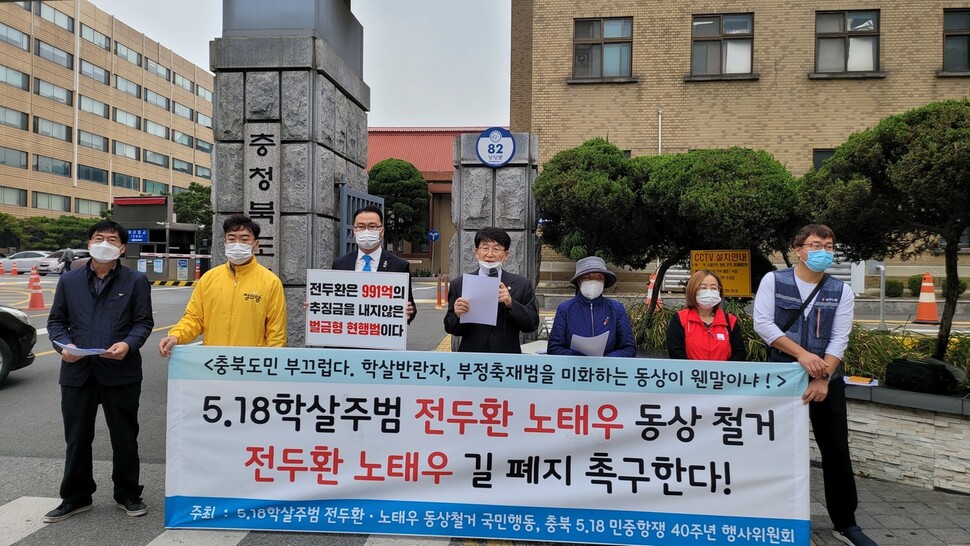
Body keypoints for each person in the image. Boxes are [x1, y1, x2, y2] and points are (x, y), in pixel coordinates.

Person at [753, 224, 875, 546]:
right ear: (799, 250)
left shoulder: (840, 290)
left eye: (830, 246)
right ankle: (771, 515)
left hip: (826, 378)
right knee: (774, 447)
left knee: (836, 450)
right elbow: (763, 324)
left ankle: (846, 523)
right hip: (782, 375)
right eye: (816, 245)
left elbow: (840, 337)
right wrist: (802, 355)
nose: (824, 251)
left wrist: (822, 378)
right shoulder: (774, 281)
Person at [44, 220, 154, 522]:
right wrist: (64, 347)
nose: (104, 243)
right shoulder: (70, 280)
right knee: (77, 438)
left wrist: (128, 344)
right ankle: (76, 496)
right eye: (98, 238)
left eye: (112, 239)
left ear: (122, 247)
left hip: (121, 371)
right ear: (89, 243)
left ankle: (128, 493)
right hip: (77, 371)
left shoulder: (135, 281)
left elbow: (143, 322)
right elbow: (56, 322)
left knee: (125, 436)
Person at [158, 214, 287, 356]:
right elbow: (194, 318)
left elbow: (276, 332)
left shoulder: (270, 282)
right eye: (231, 239)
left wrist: (271, 361)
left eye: (244, 239)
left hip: (250, 363)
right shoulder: (209, 279)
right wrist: (176, 335)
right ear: (225, 242)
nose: (237, 244)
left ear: (255, 245)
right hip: (215, 361)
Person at [444, 226, 539, 353]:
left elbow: (532, 324)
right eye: (485, 248)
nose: (489, 254)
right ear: (476, 252)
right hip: (472, 357)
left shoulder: (521, 284)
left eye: (496, 249)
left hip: (507, 357)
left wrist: (511, 303)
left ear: (506, 255)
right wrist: (457, 315)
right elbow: (450, 328)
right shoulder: (459, 284)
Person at [332, 205, 416, 323]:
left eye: (372, 226)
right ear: (354, 231)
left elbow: (410, 306)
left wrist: (409, 311)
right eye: (361, 227)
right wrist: (314, 306)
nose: (366, 231)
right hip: (349, 330)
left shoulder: (399, 265)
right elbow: (332, 301)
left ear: (382, 231)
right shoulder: (340, 264)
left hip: (382, 331)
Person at [547, 256, 635, 357]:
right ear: (579, 281)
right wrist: (578, 356)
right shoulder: (565, 309)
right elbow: (554, 348)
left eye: (599, 278)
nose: (594, 281)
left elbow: (629, 348)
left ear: (604, 282)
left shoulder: (616, 309)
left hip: (607, 366)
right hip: (575, 366)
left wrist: (607, 359)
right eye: (588, 277)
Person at [667, 270, 745, 361]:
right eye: (703, 288)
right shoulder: (680, 319)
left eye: (713, 288)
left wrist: (723, 369)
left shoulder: (730, 321)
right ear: (693, 290)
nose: (709, 292)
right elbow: (676, 353)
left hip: (724, 370)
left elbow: (739, 353)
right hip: (690, 370)